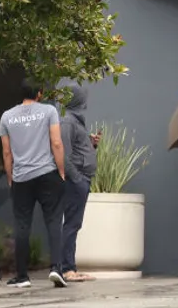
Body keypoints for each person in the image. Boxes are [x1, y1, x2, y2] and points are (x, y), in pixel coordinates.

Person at [0, 83, 67, 289]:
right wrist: (61, 171)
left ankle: (22, 276)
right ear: (39, 93)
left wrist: (11, 178)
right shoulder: (49, 111)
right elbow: (56, 143)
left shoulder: (6, 117)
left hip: (21, 179)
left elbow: (7, 152)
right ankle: (56, 268)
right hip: (47, 174)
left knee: (22, 225)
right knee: (54, 221)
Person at [58, 83, 99, 283]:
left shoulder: (77, 122)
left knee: (75, 223)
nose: (86, 102)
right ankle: (67, 269)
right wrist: (77, 178)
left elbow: (76, 148)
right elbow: (64, 155)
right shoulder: (68, 122)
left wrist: (91, 145)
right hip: (77, 180)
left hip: (82, 179)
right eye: (83, 98)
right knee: (72, 224)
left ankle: (70, 267)